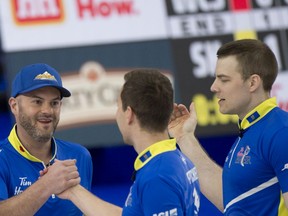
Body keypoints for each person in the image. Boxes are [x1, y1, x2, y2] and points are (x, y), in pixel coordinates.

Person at [168, 39, 288, 215]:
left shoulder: (281, 132)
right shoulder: (252, 130)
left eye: (223, 79)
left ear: (253, 83)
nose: (214, 87)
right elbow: (233, 201)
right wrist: (184, 138)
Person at [58, 69, 201, 215]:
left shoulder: (157, 176)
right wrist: (73, 191)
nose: (116, 114)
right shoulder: (173, 159)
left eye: (118, 107)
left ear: (129, 114)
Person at [0, 63, 93, 215]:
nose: (47, 111)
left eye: (54, 103)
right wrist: (47, 184)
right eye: (37, 101)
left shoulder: (79, 155)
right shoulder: (2, 158)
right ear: (14, 106)